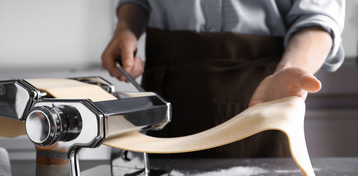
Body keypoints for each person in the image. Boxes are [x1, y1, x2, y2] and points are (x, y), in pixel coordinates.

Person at [101, 0, 345, 158]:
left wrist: (289, 70)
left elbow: (319, 18)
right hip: (167, 94)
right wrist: (126, 27)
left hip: (265, 95)